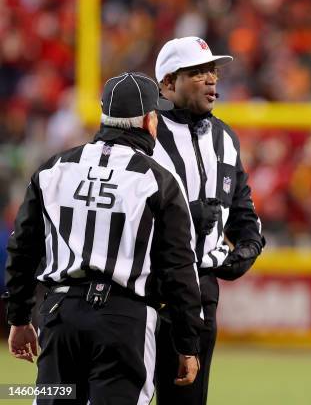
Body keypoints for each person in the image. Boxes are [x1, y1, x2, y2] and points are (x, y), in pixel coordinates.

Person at [3, 71, 205, 404]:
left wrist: (19, 317)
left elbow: (23, 247)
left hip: (60, 314)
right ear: (147, 121)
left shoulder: (54, 168)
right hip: (124, 320)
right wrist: (187, 344)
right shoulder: (159, 181)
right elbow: (179, 269)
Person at [152, 36, 265, 404]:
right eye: (198, 72)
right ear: (168, 83)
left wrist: (247, 247)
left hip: (200, 291)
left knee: (187, 399)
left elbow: (243, 209)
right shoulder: (144, 135)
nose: (212, 79)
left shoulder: (224, 137)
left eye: (212, 71)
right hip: (144, 289)